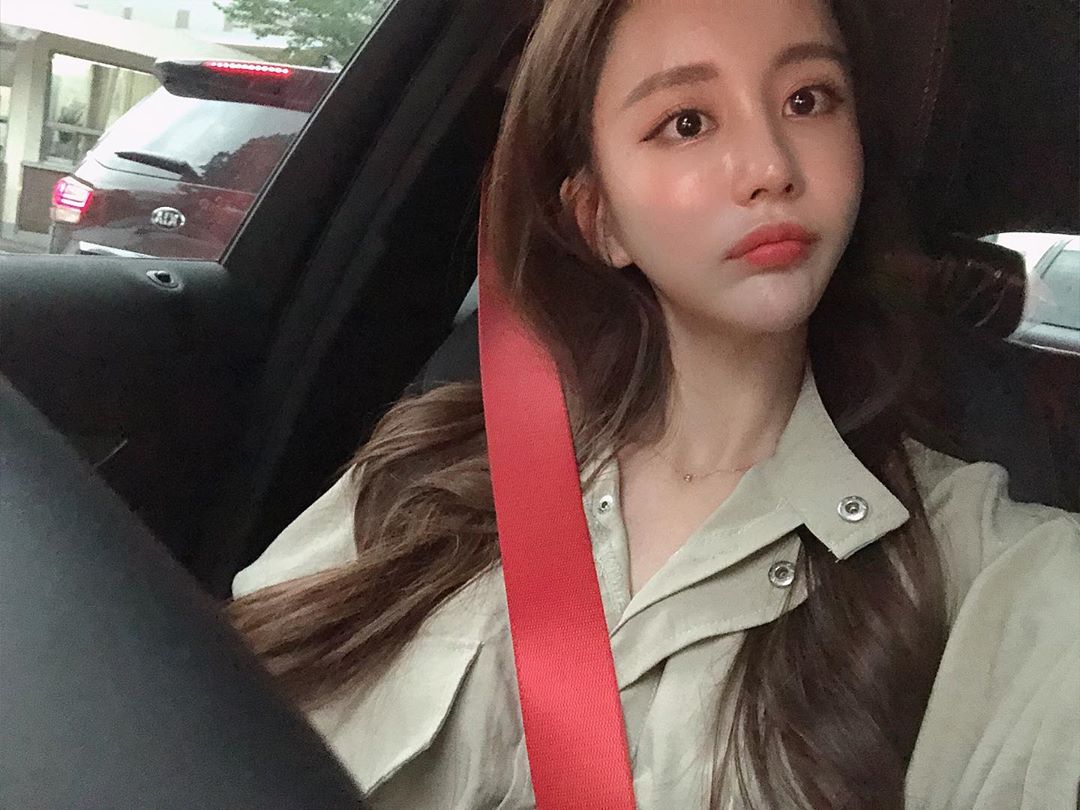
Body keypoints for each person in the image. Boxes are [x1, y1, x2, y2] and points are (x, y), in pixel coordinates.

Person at [229, 0, 1080, 807]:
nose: (772, 169)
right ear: (598, 219)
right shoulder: (424, 473)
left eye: (808, 100)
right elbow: (201, 723)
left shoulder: (986, 571)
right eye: (687, 122)